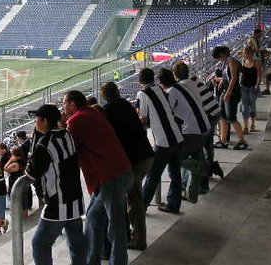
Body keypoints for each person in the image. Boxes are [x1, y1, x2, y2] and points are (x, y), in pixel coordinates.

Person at [63, 90, 133, 265]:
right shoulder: (93, 112)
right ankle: (91, 259)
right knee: (94, 218)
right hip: (118, 173)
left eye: (64, 104)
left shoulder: (76, 120)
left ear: (72, 105)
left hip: (111, 177)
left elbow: (69, 149)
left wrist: (61, 123)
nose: (63, 108)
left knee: (115, 227)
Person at [26, 104, 87, 265]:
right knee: (76, 242)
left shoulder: (45, 144)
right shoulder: (67, 135)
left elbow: (31, 172)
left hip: (57, 204)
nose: (35, 122)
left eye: (37, 119)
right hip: (76, 200)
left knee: (39, 244)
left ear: (44, 121)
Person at [100, 81, 154, 251]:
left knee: (135, 201)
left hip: (135, 161)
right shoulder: (125, 104)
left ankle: (138, 240)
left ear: (104, 96)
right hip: (145, 156)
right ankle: (131, 236)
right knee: (131, 199)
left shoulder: (108, 111)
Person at [137, 68, 184, 215]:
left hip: (164, 142)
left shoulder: (142, 93)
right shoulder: (159, 89)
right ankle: (173, 205)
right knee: (175, 174)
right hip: (177, 136)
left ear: (140, 82)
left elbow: (143, 119)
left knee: (153, 176)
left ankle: (141, 207)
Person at [168, 62, 212, 203]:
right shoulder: (193, 83)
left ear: (175, 75)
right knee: (196, 156)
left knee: (175, 160)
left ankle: (204, 166)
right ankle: (192, 194)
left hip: (192, 131)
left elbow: (168, 111)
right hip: (205, 127)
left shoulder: (174, 89)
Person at [212, 46, 248, 150]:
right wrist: (221, 81)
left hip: (232, 93)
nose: (219, 60)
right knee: (222, 116)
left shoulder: (232, 61)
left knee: (231, 118)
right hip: (225, 91)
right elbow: (226, 77)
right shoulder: (225, 62)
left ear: (222, 55)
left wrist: (228, 93)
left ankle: (242, 141)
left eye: (219, 57)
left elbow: (233, 78)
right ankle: (223, 140)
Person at [240, 46, 262, 133]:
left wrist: (257, 84)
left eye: (246, 54)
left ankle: (253, 124)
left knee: (252, 105)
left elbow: (259, 74)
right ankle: (245, 126)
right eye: (244, 54)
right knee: (244, 106)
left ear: (251, 54)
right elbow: (242, 74)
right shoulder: (243, 61)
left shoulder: (256, 63)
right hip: (243, 86)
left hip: (252, 86)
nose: (245, 55)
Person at [4, 146, 32, 216]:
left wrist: (10, 160)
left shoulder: (15, 164)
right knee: (24, 203)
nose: (11, 156)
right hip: (24, 183)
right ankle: (26, 217)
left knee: (17, 202)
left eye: (12, 155)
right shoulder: (25, 161)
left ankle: (19, 220)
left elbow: (5, 168)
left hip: (15, 184)